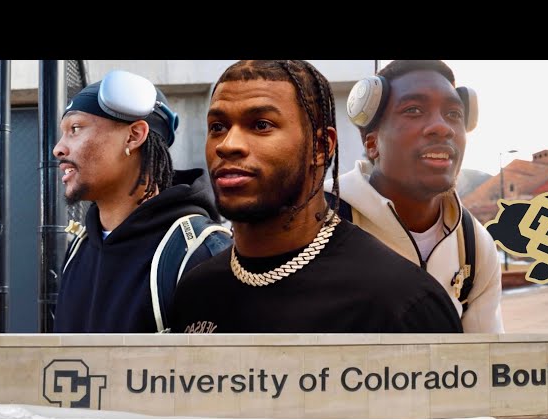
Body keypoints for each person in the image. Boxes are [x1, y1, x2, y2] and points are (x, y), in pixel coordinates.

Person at [170, 60, 461, 334]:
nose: (228, 145)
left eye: (261, 125)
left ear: (321, 146)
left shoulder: (402, 302)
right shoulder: (195, 291)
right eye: (217, 127)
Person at [324, 60, 503, 333]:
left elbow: (486, 362)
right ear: (372, 144)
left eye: (454, 114)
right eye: (414, 110)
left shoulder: (474, 246)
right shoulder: (316, 219)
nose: (443, 128)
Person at [53, 70, 230, 333]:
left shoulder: (199, 252)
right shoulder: (79, 248)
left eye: (75, 129)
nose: (58, 149)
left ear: (134, 136)